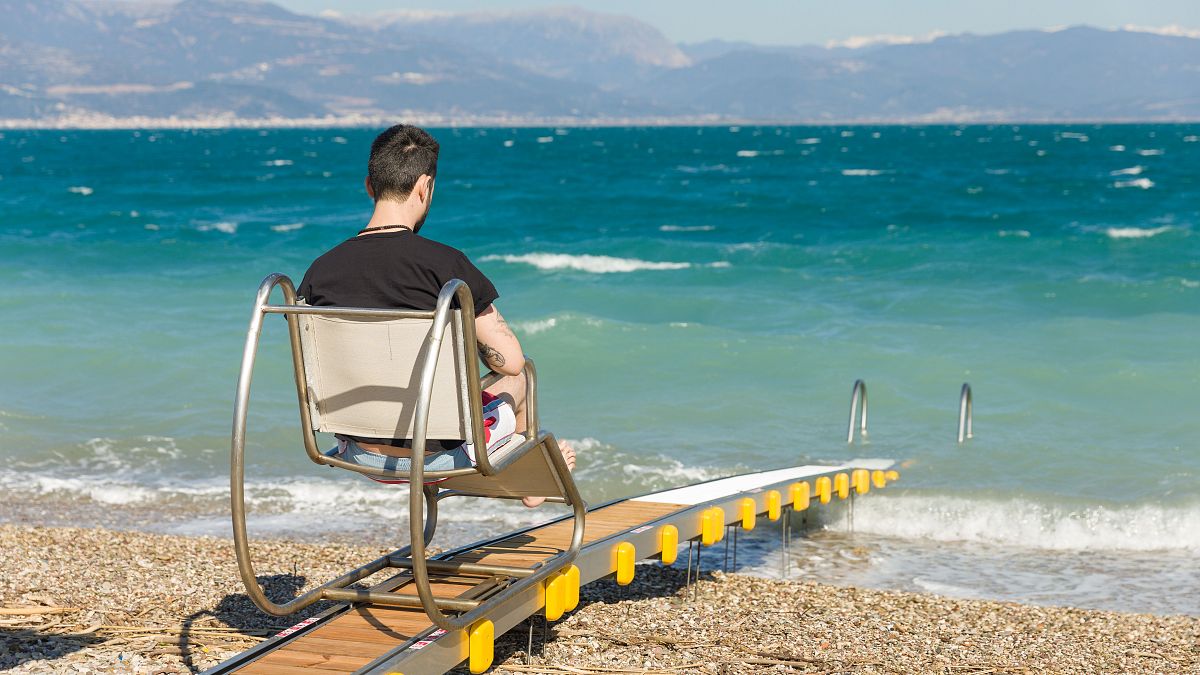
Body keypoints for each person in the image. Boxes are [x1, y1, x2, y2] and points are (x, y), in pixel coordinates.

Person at [297, 124, 574, 507]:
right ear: (425, 187)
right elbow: (508, 362)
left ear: (369, 186)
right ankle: (528, 483)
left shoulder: (319, 272)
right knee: (522, 374)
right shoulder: (445, 265)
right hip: (438, 454)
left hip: (357, 449)